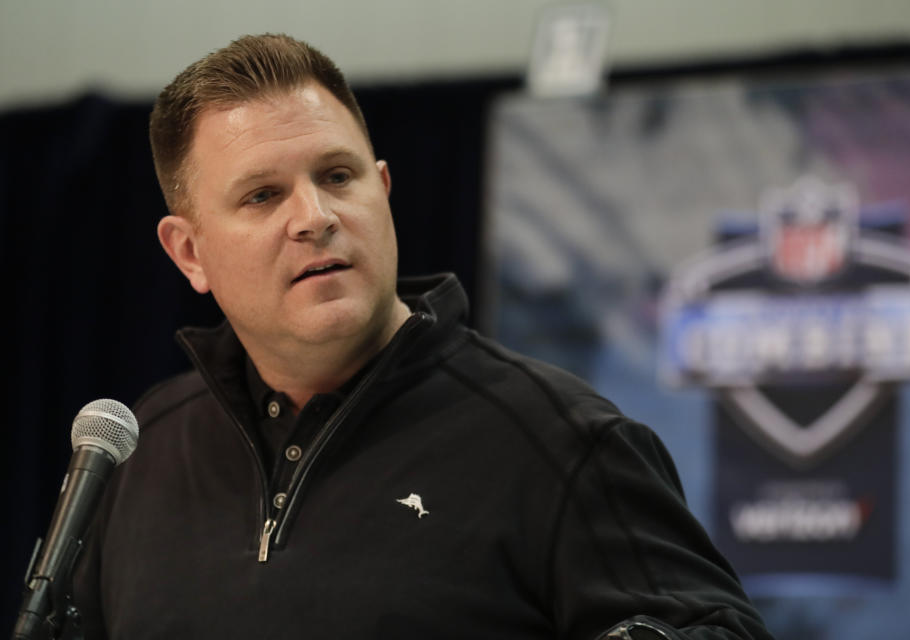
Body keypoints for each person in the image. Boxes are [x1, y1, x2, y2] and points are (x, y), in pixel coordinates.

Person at [71, 34, 773, 639]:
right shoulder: (139, 453)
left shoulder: (563, 441)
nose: (314, 216)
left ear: (382, 190)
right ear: (188, 252)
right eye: (262, 196)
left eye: (337, 176)